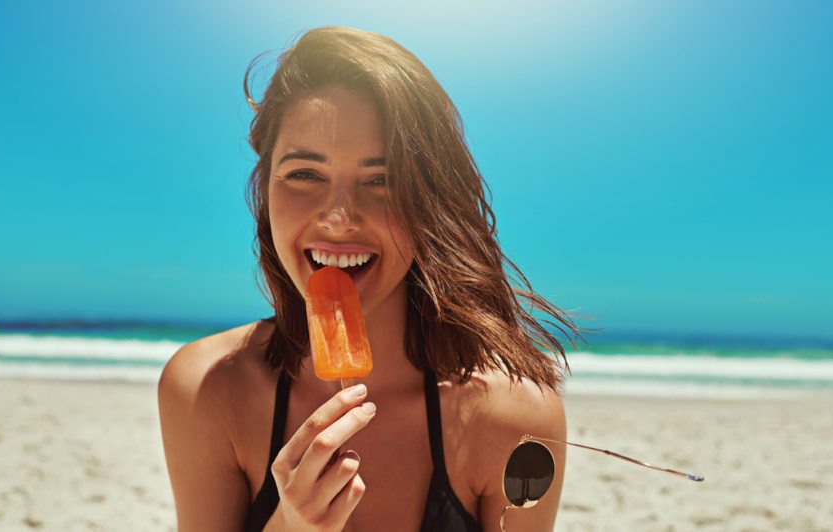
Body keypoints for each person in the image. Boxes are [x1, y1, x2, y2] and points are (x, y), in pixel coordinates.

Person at [158, 26, 586, 532]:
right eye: (305, 174)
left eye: (381, 180)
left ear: (431, 202)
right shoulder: (207, 388)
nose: (339, 218)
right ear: (264, 188)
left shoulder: (513, 417)